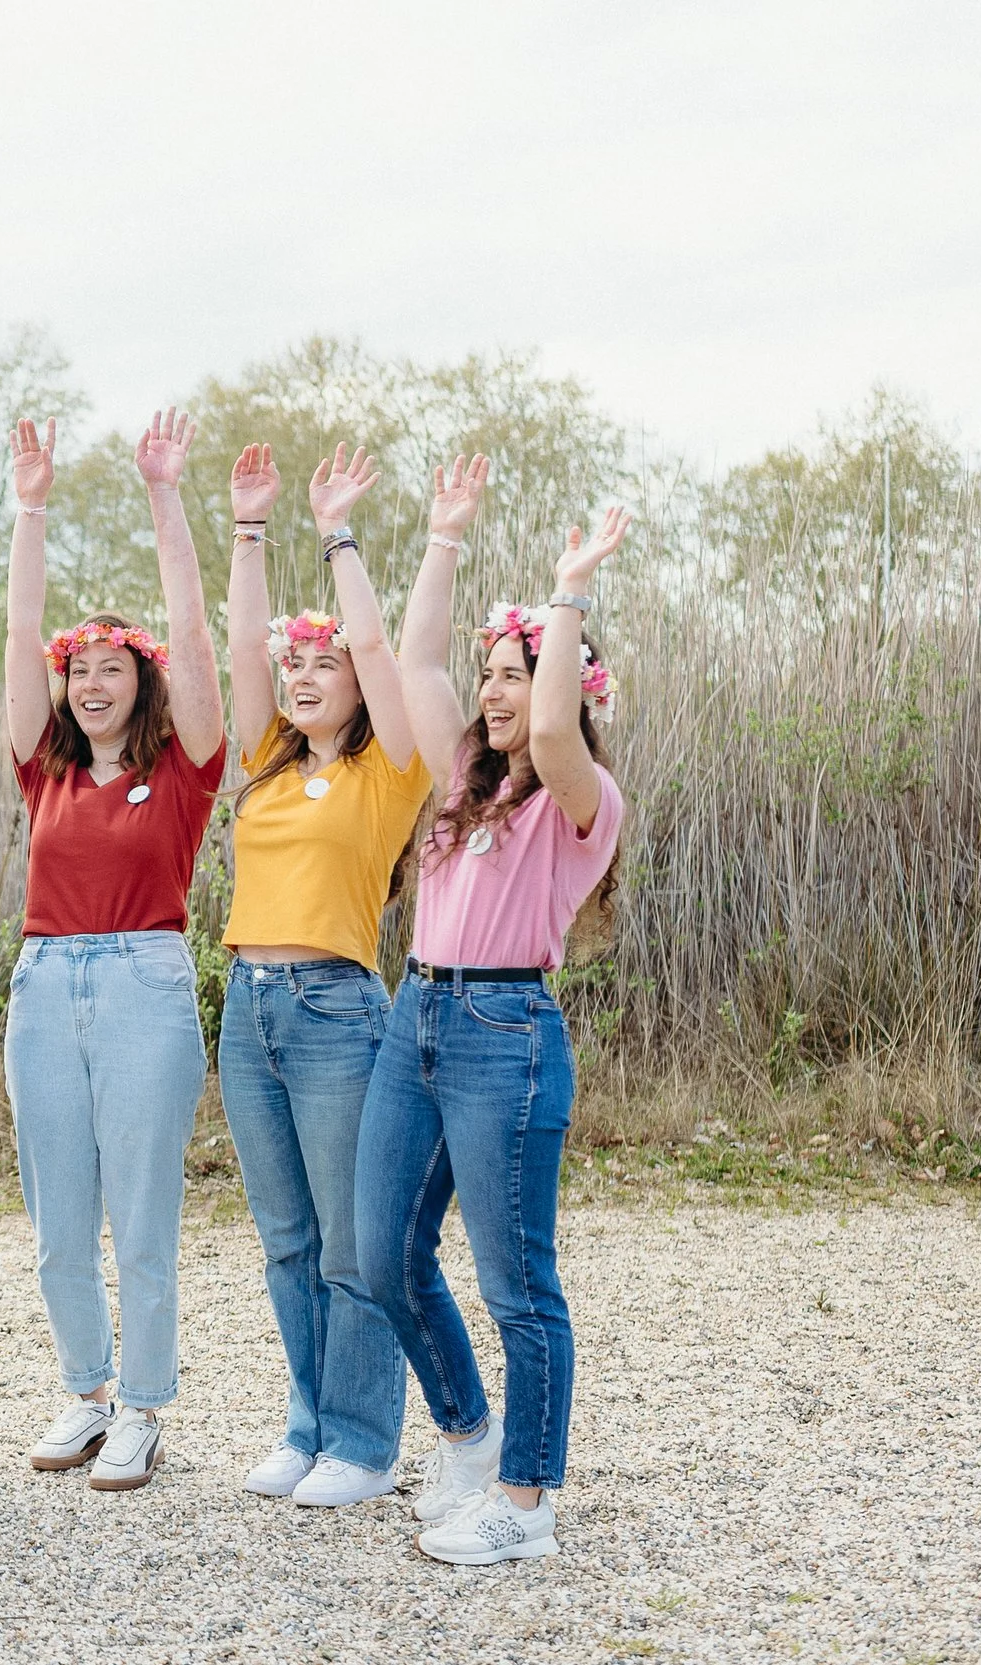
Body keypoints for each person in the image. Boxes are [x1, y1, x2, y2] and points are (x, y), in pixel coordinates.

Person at [356, 475, 630, 1565]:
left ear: (561, 681)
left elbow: (557, 721)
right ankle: (467, 1438)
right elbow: (416, 664)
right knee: (383, 1256)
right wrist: (440, 537)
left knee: (518, 1281)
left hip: (503, 1031)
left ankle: (525, 1506)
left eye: (512, 674)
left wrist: (564, 594)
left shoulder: (578, 802)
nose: (496, 690)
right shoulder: (459, 784)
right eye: (493, 675)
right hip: (413, 1014)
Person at [0, 412, 226, 1492]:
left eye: (110, 665)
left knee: (139, 1216)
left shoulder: (183, 769)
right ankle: (86, 1392)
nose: (92, 681)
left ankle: (143, 1406)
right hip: (45, 984)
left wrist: (163, 496)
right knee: (55, 1222)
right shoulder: (40, 771)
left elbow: (191, 635)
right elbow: (14, 638)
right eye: (75, 668)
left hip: (143, 980)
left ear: (140, 678)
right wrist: (30, 507)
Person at [213, 442, 437, 1508]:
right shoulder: (264, 764)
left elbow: (379, 645)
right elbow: (240, 651)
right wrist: (249, 531)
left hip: (335, 1013)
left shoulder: (389, 771)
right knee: (287, 1239)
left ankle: (362, 1443)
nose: (301, 677)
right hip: (245, 1011)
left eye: (321, 665)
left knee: (353, 1245)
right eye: (293, 667)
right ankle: (305, 1425)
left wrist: (335, 534)